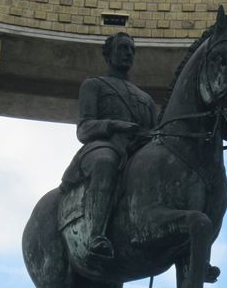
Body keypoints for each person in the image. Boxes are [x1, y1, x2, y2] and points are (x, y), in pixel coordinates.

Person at [62, 32, 157, 258]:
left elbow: (156, 134)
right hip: (104, 147)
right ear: (108, 53)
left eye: (132, 50)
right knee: (106, 162)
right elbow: (84, 128)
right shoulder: (94, 85)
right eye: (123, 48)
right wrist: (115, 125)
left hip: (137, 151)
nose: (128, 54)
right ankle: (96, 234)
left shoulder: (146, 99)